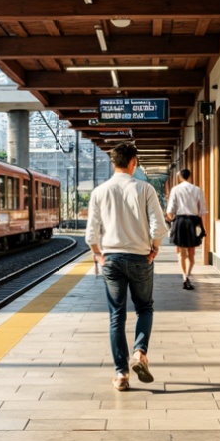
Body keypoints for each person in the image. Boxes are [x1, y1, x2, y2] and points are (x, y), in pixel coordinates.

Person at [85, 143, 169, 392]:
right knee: (144, 307)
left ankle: (121, 374)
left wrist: (99, 254)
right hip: (140, 258)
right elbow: (158, 227)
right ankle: (140, 353)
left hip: (111, 259)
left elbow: (91, 233)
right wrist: (154, 249)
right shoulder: (145, 189)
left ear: (114, 163)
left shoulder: (100, 191)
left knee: (116, 315)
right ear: (133, 162)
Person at [165, 168, 206, 289]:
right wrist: (203, 227)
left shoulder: (175, 189)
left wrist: (173, 221)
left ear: (180, 177)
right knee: (191, 254)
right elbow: (202, 210)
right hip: (192, 222)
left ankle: (184, 276)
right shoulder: (197, 190)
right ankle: (188, 275)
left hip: (180, 221)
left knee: (181, 253)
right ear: (190, 176)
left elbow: (170, 210)